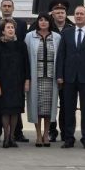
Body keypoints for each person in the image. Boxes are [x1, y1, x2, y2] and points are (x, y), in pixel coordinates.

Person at [55, 5, 85, 149]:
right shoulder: (67, 33)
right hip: (69, 77)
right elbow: (61, 56)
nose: (78, 16)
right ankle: (68, 137)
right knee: (68, 109)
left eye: (81, 14)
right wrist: (59, 75)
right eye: (76, 14)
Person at [0, 18, 30, 149]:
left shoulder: (21, 45)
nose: (10, 30)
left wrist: (27, 81)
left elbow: (26, 65)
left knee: (15, 111)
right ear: (3, 30)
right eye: (8, 28)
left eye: (12, 28)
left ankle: (12, 137)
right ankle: (6, 137)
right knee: (5, 111)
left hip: (18, 82)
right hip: (3, 82)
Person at [24, 13, 61, 147]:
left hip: (51, 77)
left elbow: (60, 58)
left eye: (46, 20)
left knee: (48, 108)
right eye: (41, 20)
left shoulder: (57, 37)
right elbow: (25, 58)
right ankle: (38, 135)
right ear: (37, 22)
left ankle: (46, 134)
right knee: (37, 107)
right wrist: (26, 78)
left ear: (50, 22)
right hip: (35, 77)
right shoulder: (30, 36)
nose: (43, 22)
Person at [47, 0, 71, 142]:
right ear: (52, 13)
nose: (60, 14)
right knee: (50, 103)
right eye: (57, 11)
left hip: (67, 73)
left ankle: (65, 130)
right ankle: (51, 130)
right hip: (49, 71)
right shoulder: (45, 26)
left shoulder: (72, 28)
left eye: (62, 12)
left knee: (65, 103)